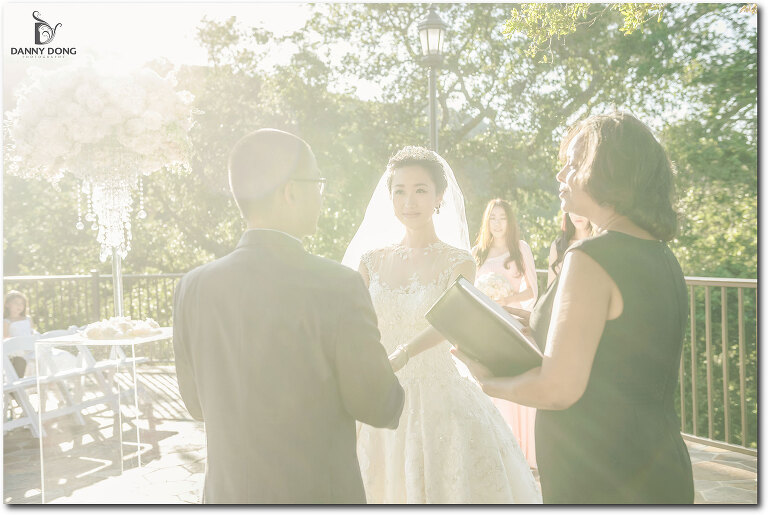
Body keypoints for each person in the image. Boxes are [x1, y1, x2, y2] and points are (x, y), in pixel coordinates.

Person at [453, 112, 694, 504]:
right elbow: (622, 353)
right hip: (658, 461)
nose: (561, 173)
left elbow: (557, 389)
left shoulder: (591, 256)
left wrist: (487, 383)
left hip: (599, 471)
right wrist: (534, 321)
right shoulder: (662, 255)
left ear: (610, 170)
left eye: (574, 162)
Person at [173, 129, 405, 504]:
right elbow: (378, 403)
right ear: (291, 191)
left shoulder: (193, 286)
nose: (321, 196)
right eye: (318, 184)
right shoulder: (338, 285)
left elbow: (196, 404)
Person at [342, 146, 540, 504]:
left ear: (439, 197)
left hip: (437, 395)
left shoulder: (459, 260)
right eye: (399, 191)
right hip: (379, 392)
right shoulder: (370, 261)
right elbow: (355, 324)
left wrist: (403, 354)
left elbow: (452, 321)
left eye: (420, 190)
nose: (409, 201)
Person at [472, 199, 538, 468]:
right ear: (486, 222)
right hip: (486, 328)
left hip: (510, 323)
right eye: (492, 218)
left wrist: (506, 300)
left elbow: (532, 291)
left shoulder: (520, 249)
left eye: (502, 218)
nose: (497, 224)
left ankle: (521, 451)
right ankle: (494, 449)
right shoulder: (477, 252)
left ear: (509, 221)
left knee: (513, 382)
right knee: (489, 383)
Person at [547, 212, 594, 287]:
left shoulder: (601, 244)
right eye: (573, 209)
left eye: (581, 208)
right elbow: (551, 288)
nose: (578, 214)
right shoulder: (558, 246)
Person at [4, 290, 35, 377]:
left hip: (30, 347)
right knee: (20, 362)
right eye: (16, 303)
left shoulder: (27, 319)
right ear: (7, 304)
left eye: (22, 303)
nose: (19, 306)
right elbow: (5, 339)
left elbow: (31, 333)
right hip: (17, 351)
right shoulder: (6, 321)